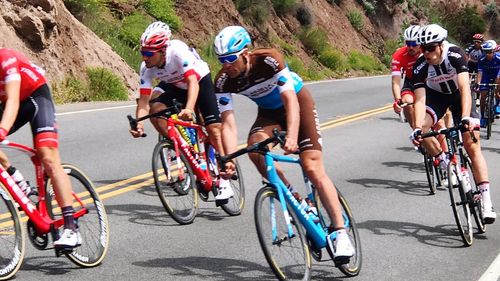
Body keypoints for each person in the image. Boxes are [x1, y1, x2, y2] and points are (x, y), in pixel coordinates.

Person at [212, 25, 355, 261]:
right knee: (255, 150)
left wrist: (292, 136)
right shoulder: (223, 81)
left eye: (230, 58)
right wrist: (227, 158)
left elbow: (290, 101)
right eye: (221, 60)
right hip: (268, 114)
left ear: (245, 53)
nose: (226, 64)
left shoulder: (269, 60)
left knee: (312, 166)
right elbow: (227, 123)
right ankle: (293, 197)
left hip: (299, 105)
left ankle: (341, 233)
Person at [129, 21, 233, 202]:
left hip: (199, 81)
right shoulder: (146, 68)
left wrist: (189, 109)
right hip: (176, 86)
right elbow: (144, 100)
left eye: (148, 53)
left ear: (162, 51)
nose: (144, 57)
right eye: (142, 52)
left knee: (214, 129)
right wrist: (139, 123)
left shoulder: (177, 52)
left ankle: (225, 179)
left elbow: (192, 82)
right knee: (156, 110)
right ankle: (182, 148)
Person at [410, 24, 496, 223]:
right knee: (422, 130)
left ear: (441, 45)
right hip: (437, 97)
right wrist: (416, 127)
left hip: (459, 96)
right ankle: (446, 162)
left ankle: (486, 199)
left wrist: (465, 117)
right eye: (423, 48)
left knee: (472, 146)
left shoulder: (455, 55)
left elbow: (465, 88)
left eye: (430, 48)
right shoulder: (421, 66)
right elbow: (420, 100)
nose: (426, 52)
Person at [0, 48, 81, 247]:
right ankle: (20, 183)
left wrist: (2, 130)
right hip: (10, 102)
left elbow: (12, 100)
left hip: (35, 96)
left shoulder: (6, 58)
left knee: (47, 156)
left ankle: (71, 228)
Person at [391, 25, 421, 128]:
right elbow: (395, 82)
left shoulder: (428, 50)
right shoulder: (398, 55)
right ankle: (416, 131)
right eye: (408, 43)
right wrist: (397, 100)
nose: (411, 47)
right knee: (407, 102)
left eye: (414, 43)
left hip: (428, 80)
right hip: (411, 80)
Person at [475, 40, 500, 125]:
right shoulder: (481, 59)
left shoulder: (498, 57)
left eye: (489, 52)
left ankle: (497, 106)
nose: (487, 54)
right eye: (485, 52)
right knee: (483, 95)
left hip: (497, 74)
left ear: (493, 51)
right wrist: (478, 83)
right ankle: (482, 116)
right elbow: (480, 72)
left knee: (498, 90)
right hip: (486, 75)